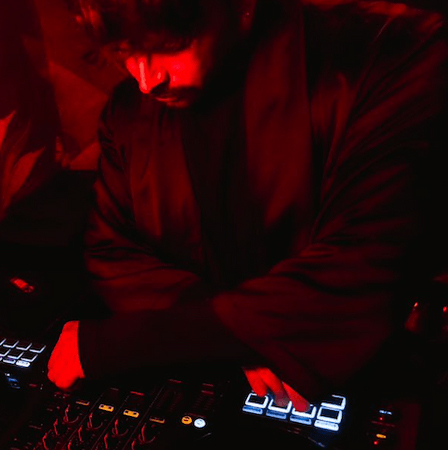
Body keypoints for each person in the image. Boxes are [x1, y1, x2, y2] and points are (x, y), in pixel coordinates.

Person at [47, 0, 448, 410]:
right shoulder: (128, 111)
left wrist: (126, 344)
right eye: (125, 52)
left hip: (385, 378)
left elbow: (364, 261)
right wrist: (241, 336)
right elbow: (111, 250)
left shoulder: (387, 56)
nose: (147, 80)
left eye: (168, 45)